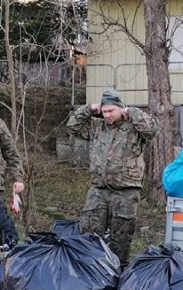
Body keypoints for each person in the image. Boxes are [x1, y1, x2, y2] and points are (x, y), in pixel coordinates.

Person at [67, 89, 157, 264]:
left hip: (126, 191)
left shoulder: (134, 127)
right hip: (98, 190)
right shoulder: (96, 126)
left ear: (120, 109)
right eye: (104, 111)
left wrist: (132, 112)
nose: (107, 115)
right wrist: (88, 109)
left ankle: (118, 271)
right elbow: (72, 127)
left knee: (120, 237)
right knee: (89, 233)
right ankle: (91, 270)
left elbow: (152, 130)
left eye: (111, 111)